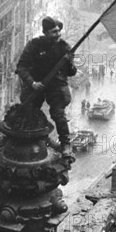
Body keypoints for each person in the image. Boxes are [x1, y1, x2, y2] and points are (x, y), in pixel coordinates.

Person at [16, 16, 77, 156]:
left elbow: (71, 73)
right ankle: (41, 139)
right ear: (45, 32)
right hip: (36, 83)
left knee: (58, 114)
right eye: (54, 32)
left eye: (59, 31)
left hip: (56, 84)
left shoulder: (64, 47)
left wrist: (69, 62)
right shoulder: (34, 45)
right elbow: (21, 67)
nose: (58, 35)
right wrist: (32, 83)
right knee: (30, 111)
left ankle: (65, 143)